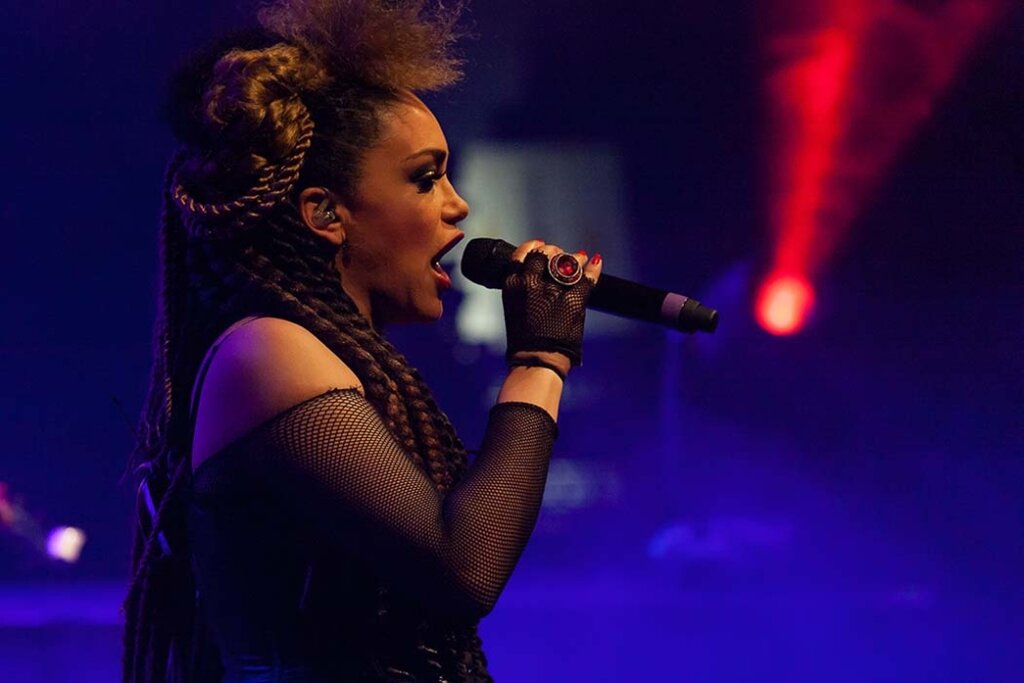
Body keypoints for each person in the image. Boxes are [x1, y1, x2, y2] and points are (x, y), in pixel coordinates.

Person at [122, 1, 602, 681]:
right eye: (425, 178)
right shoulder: (266, 352)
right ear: (325, 212)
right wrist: (540, 359)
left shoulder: (323, 354)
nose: (458, 205)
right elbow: (464, 568)